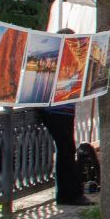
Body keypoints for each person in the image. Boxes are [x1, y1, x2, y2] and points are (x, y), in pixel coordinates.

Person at [43, 28, 89, 206]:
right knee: (66, 149)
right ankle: (67, 194)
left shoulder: (67, 59)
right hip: (56, 111)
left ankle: (68, 193)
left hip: (63, 110)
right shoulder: (55, 59)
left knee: (67, 149)